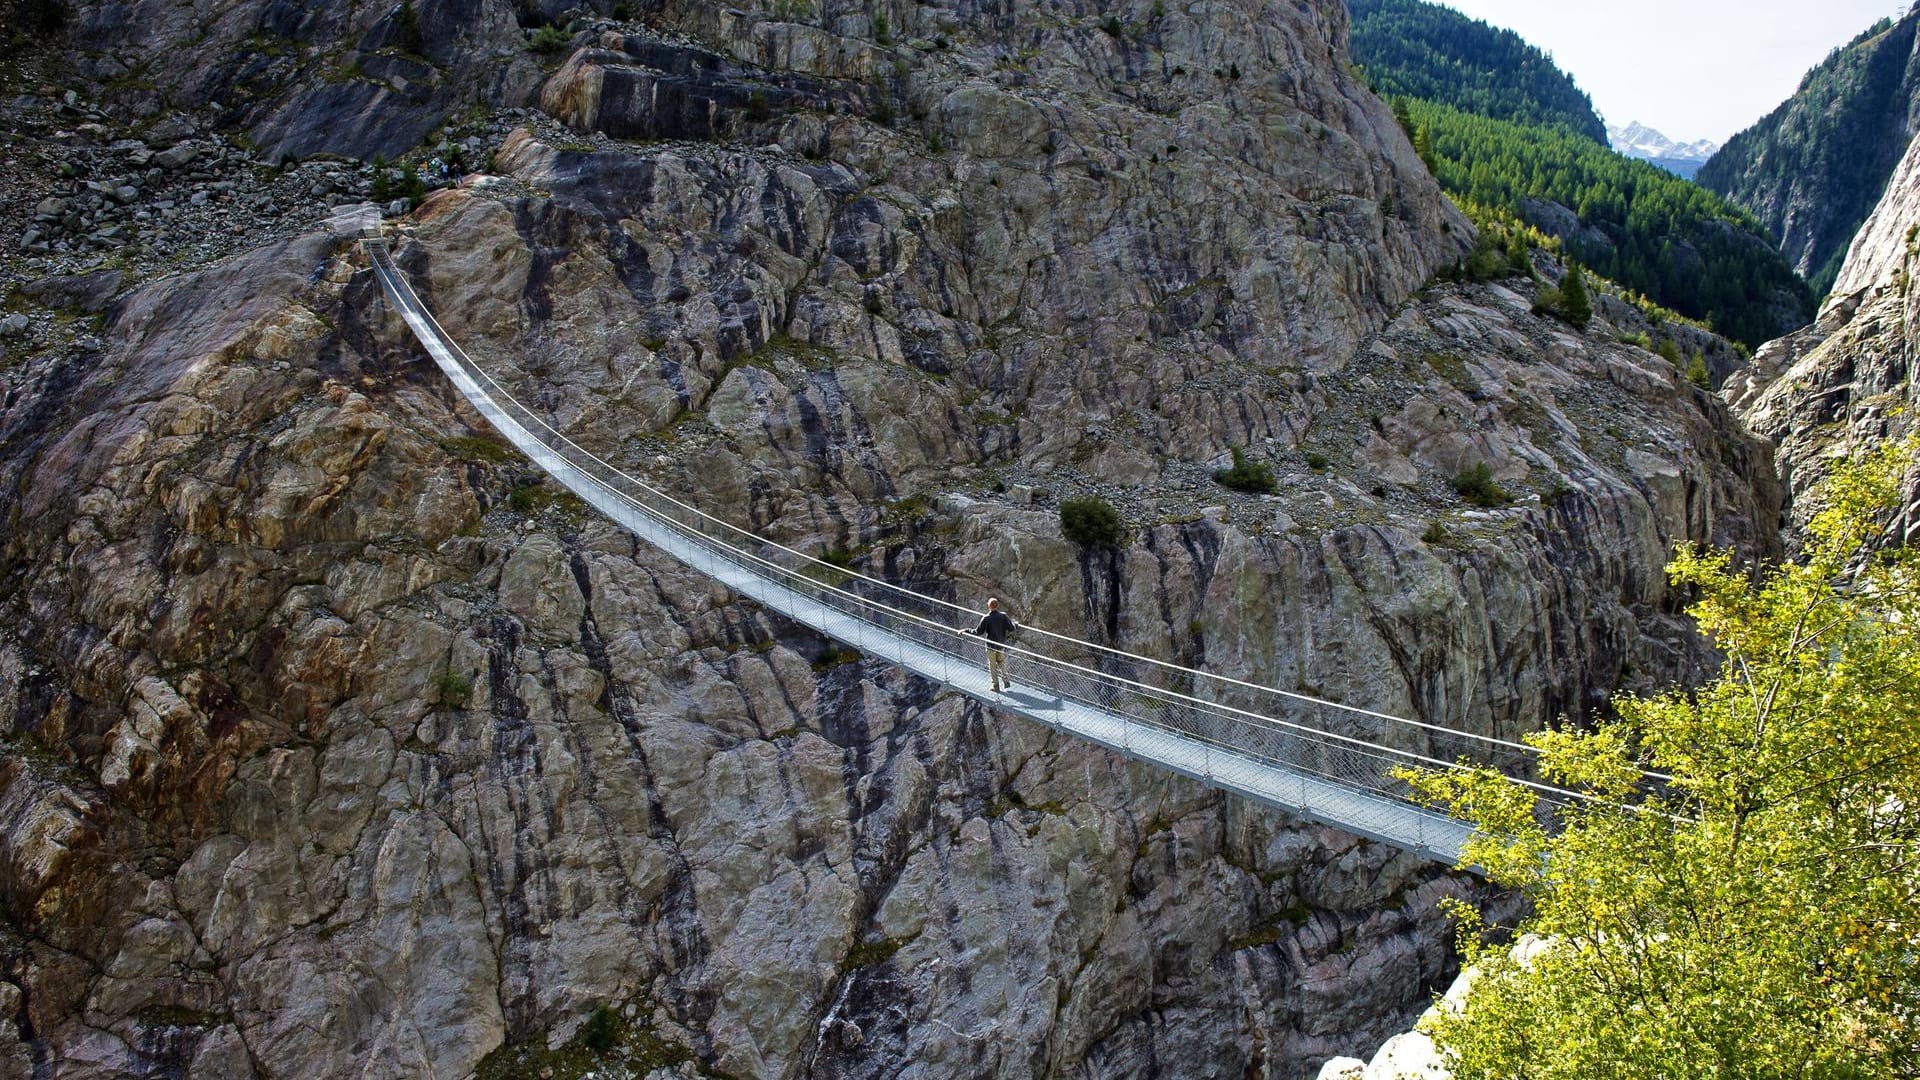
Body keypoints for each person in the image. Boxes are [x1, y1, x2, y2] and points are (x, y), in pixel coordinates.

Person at [965, 597, 1017, 693]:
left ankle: (995, 686)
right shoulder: (1003, 616)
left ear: (988, 606)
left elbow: (978, 632)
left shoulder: (986, 618)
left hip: (990, 646)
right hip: (1000, 645)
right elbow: (1011, 628)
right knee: (1001, 662)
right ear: (997, 606)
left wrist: (966, 630)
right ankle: (1006, 681)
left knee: (992, 666)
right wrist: (1015, 624)